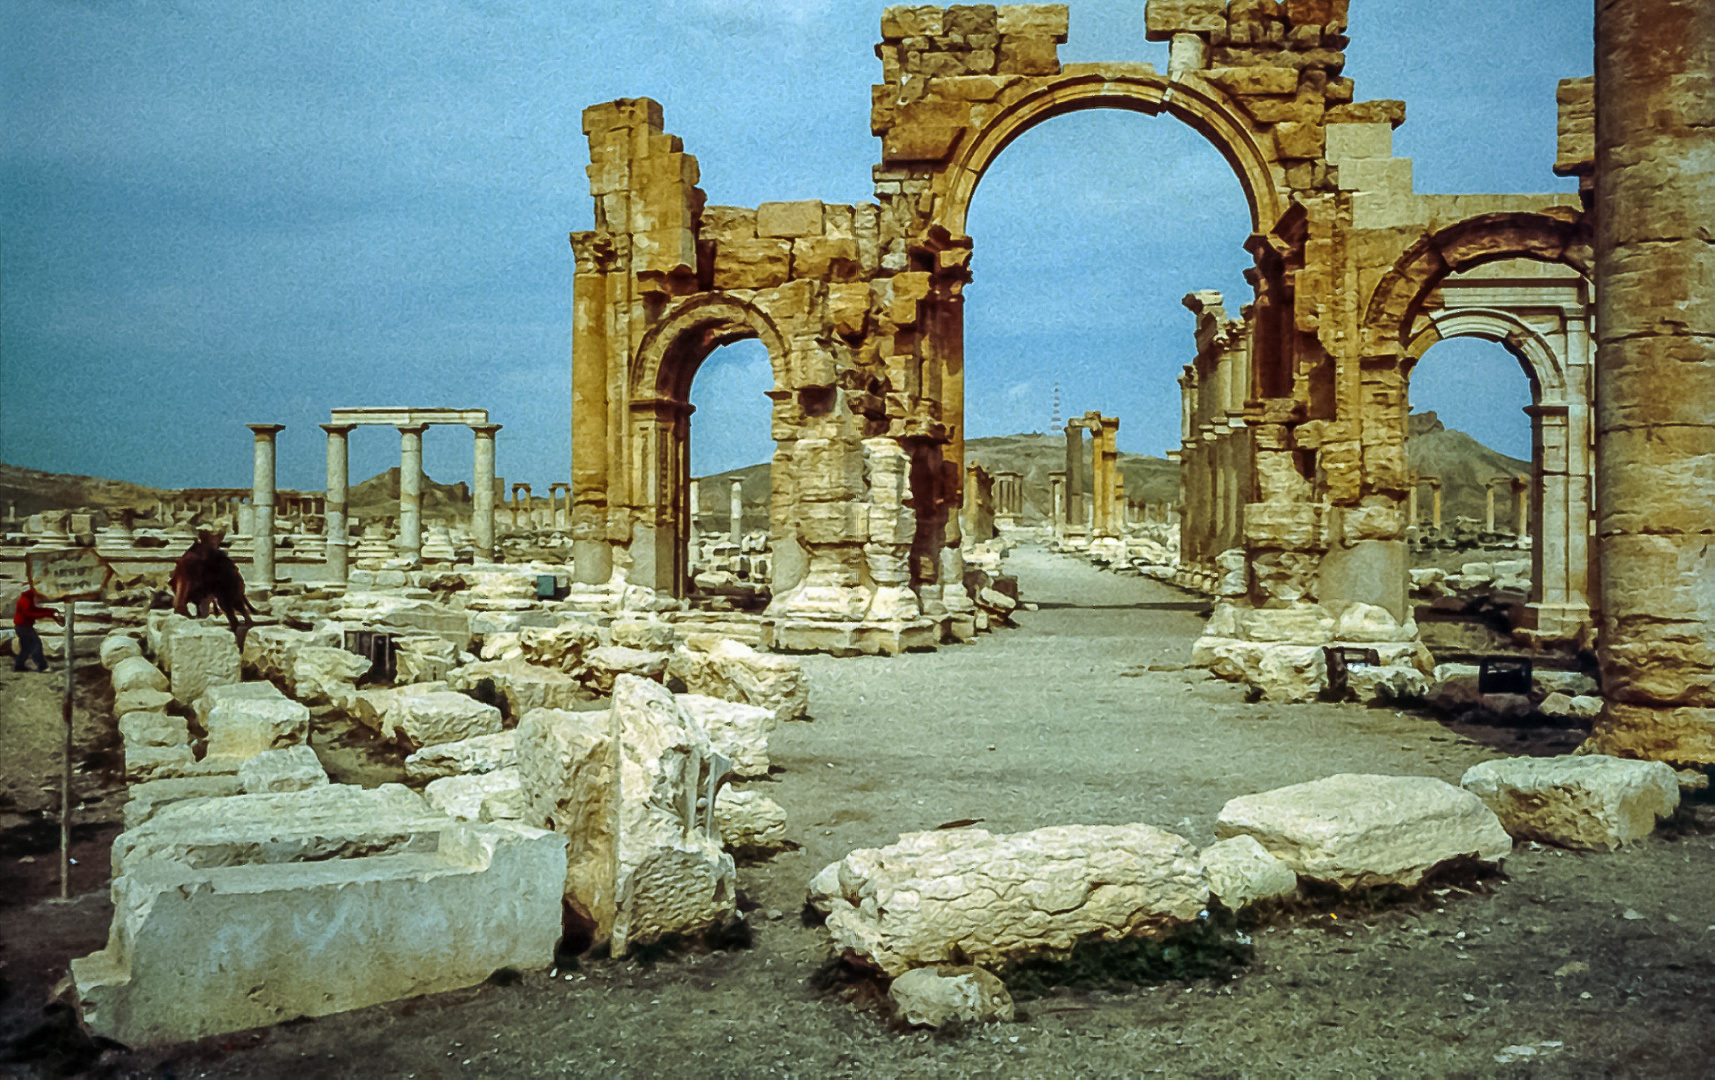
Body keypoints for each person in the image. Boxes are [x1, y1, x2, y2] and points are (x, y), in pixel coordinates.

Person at [13, 586, 61, 672]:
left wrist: (48, 611)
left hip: (22, 627)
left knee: (26, 647)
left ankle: (19, 665)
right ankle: (42, 666)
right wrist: (46, 613)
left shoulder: (26, 599)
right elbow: (29, 614)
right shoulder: (25, 601)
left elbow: (33, 609)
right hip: (24, 627)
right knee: (36, 645)